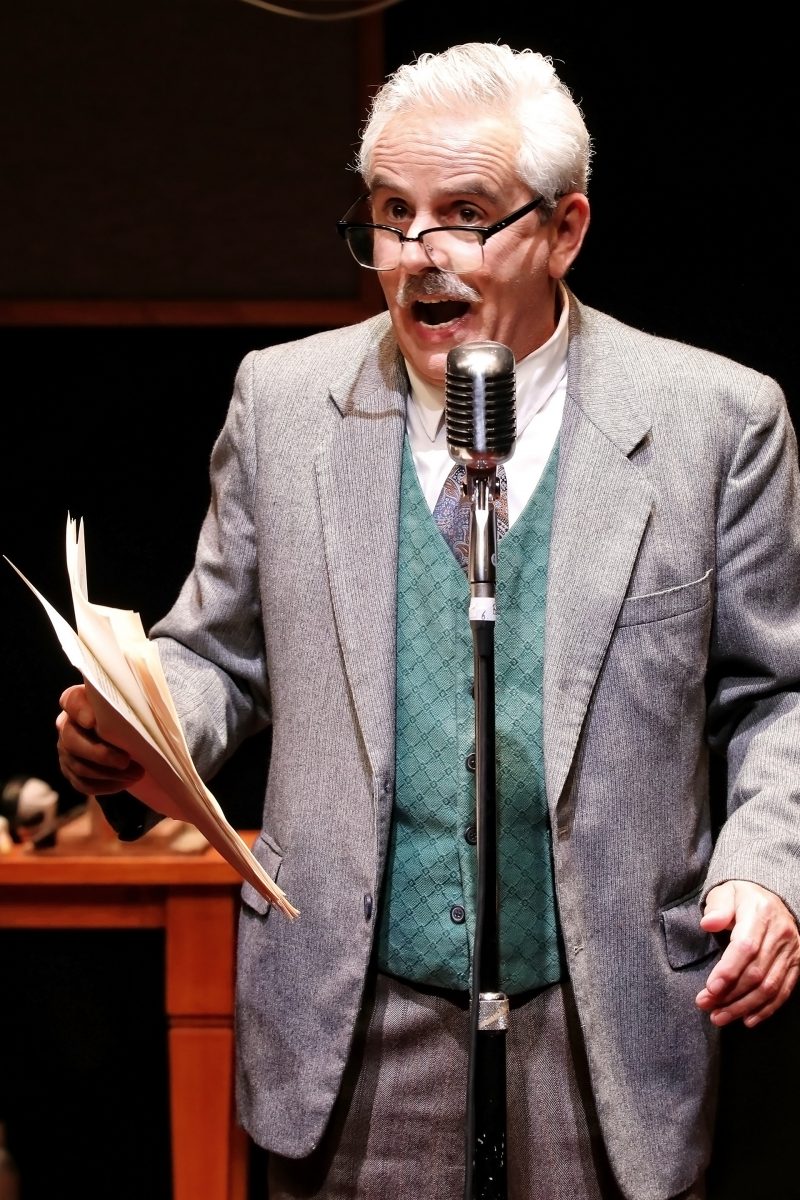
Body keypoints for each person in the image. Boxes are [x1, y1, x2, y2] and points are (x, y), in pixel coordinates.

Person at [55, 41, 800, 1200]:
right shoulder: (283, 401)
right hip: (350, 1024)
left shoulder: (715, 420)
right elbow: (217, 653)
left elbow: (774, 695)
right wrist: (139, 716)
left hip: (600, 1028)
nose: (417, 258)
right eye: (390, 217)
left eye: (462, 215)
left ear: (563, 230)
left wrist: (765, 870)